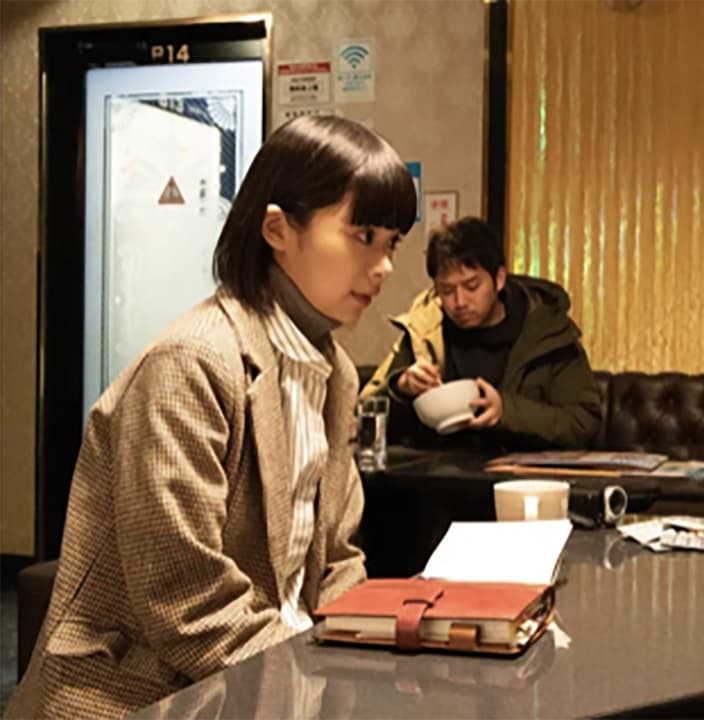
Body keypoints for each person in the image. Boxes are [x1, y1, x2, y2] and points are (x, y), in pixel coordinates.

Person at [7, 115, 416, 719]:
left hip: (263, 682)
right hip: (140, 695)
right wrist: (318, 675)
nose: (383, 266)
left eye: (392, 244)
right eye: (364, 236)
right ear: (277, 229)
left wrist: (363, 650)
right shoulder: (193, 362)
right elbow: (185, 601)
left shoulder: (334, 372)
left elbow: (336, 557)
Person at [361, 216, 602, 450]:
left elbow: (584, 423)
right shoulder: (424, 330)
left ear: (499, 279)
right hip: (435, 470)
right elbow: (362, 413)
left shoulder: (547, 333)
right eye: (447, 290)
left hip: (520, 472)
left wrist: (506, 412)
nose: (460, 302)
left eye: (472, 286)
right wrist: (401, 388)